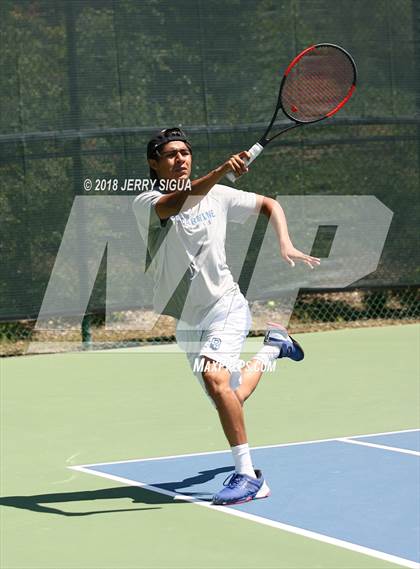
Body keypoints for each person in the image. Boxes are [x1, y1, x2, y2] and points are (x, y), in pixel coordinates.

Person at [133, 127, 320, 505]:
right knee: (228, 395)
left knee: (214, 377)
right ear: (154, 164)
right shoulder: (145, 202)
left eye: (185, 152)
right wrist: (222, 169)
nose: (180, 159)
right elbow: (182, 200)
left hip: (226, 306)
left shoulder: (217, 194)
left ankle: (248, 476)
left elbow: (270, 204)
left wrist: (284, 239)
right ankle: (273, 349)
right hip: (187, 320)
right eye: (170, 154)